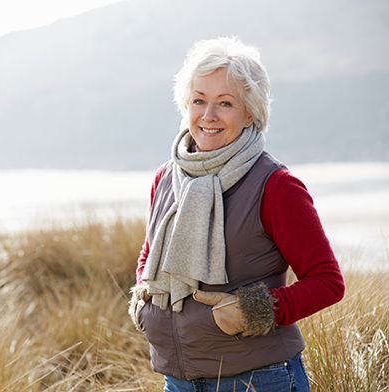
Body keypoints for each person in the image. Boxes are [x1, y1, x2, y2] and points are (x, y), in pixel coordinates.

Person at [128, 37, 345, 391]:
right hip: (178, 379)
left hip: (258, 379)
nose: (208, 116)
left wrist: (256, 311)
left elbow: (327, 281)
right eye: (199, 100)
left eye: (225, 103)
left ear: (250, 113)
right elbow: (151, 250)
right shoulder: (166, 177)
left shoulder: (276, 186)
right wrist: (144, 299)